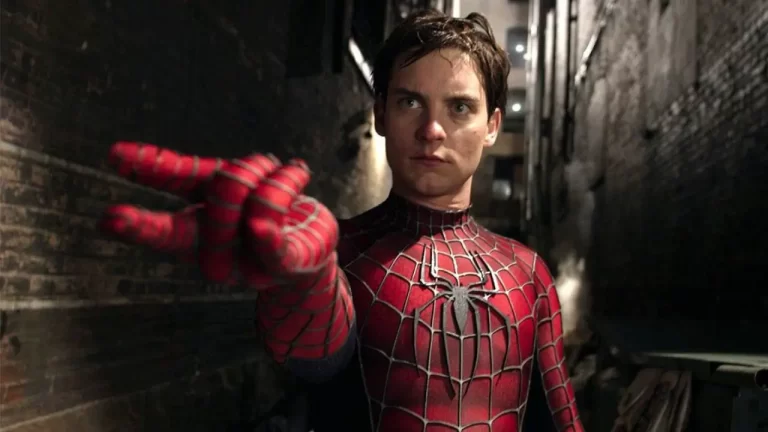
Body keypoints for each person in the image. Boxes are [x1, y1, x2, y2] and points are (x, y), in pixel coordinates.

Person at [101, 9, 583, 432]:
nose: (432, 130)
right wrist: (303, 281)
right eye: (410, 102)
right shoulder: (342, 251)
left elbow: (560, 418)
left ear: (492, 126)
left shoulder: (529, 274)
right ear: (380, 114)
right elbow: (316, 360)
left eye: (459, 107)